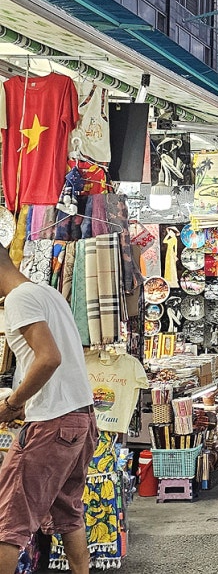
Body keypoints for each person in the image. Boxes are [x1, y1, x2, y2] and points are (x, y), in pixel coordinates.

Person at [0, 243, 97, 574]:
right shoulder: (48, 293)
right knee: (68, 513)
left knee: (9, 520)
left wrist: (13, 404)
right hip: (79, 418)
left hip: (53, 423)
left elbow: (49, 358)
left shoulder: (18, 299)